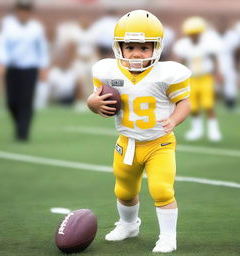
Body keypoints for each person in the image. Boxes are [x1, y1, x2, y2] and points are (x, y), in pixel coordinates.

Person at [87, 10, 191, 253]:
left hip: (159, 142)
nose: (136, 53)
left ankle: (168, 236)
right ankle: (128, 224)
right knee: (124, 189)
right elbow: (96, 98)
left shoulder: (167, 74)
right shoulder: (107, 72)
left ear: (156, 49)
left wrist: (174, 119)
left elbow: (184, 103)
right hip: (128, 141)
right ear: (118, 48)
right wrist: (92, 103)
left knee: (162, 189)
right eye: (130, 47)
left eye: (144, 48)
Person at [0, 0, 49, 141]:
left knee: (26, 101)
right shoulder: (8, 25)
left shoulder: (36, 27)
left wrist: (43, 67)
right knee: (11, 102)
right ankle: (19, 123)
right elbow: (3, 46)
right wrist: (2, 63)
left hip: (29, 69)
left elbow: (42, 49)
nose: (23, 14)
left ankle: (22, 133)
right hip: (12, 68)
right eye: (20, 11)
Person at [173, 16, 222, 142]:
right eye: (191, 34)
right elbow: (181, 62)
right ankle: (197, 129)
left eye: (196, 33)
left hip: (205, 77)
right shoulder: (184, 45)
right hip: (191, 79)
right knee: (193, 106)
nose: (194, 36)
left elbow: (214, 59)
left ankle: (213, 130)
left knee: (208, 104)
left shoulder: (208, 44)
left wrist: (218, 74)